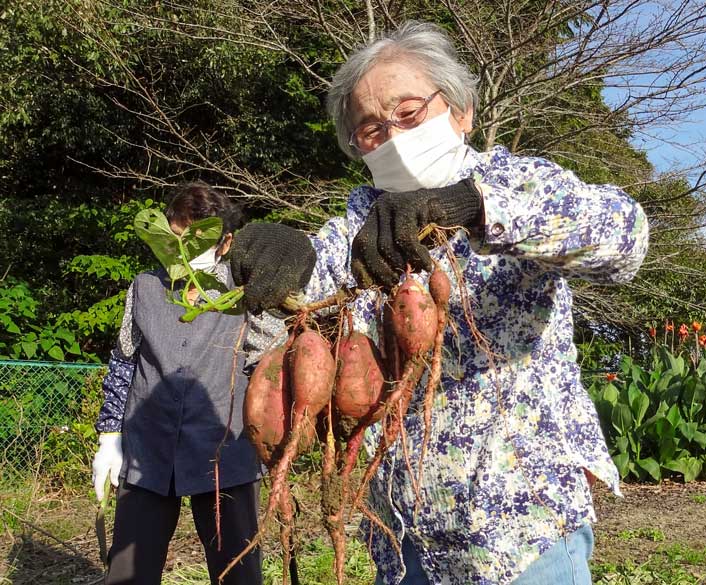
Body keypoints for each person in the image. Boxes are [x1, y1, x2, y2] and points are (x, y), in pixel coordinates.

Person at [229, 21, 649, 585]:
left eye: (408, 112)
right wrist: (277, 256)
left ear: (461, 111)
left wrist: (473, 207)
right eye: (371, 128)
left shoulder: (515, 182)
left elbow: (626, 235)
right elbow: (311, 286)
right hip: (401, 533)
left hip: (519, 528)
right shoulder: (361, 219)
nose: (393, 135)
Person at [91, 182, 270, 585]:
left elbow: (268, 361)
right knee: (128, 574)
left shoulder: (246, 290)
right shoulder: (144, 287)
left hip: (225, 449)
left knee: (237, 572)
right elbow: (124, 360)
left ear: (224, 244)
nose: (184, 251)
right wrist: (109, 435)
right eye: (176, 236)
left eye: (198, 239)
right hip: (147, 449)